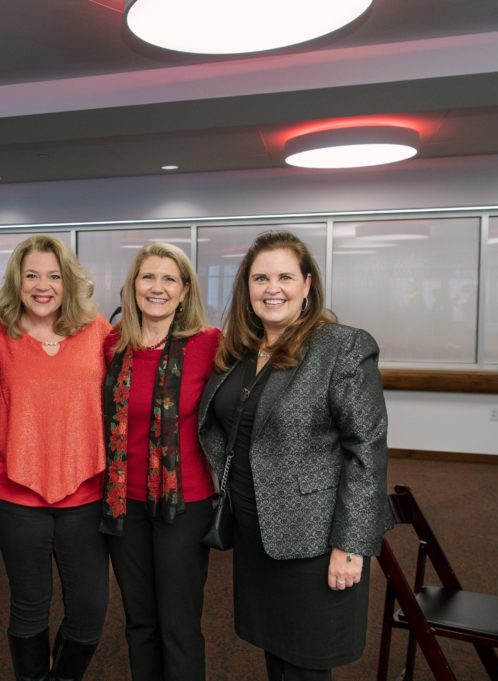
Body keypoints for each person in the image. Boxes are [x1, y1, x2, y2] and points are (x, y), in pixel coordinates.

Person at [197, 231, 393, 681]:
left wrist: (350, 545)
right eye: (260, 277)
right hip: (256, 534)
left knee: (306, 661)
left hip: (314, 539)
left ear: (307, 285)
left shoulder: (340, 347)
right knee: (277, 650)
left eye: (285, 276)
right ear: (246, 287)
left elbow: (367, 451)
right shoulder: (241, 352)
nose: (272, 288)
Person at [0, 235, 112, 681]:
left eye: (54, 276)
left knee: (90, 608)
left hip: (85, 493)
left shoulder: (97, 331)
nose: (44, 286)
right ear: (17, 282)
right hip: (13, 493)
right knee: (30, 604)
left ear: (69, 282)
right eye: (32, 275)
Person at [101, 242, 221, 681]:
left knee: (178, 624)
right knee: (139, 622)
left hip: (184, 505)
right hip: (122, 505)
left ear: (185, 290)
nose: (157, 287)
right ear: (133, 286)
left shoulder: (209, 344)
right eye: (148, 277)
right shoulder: (113, 345)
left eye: (169, 278)